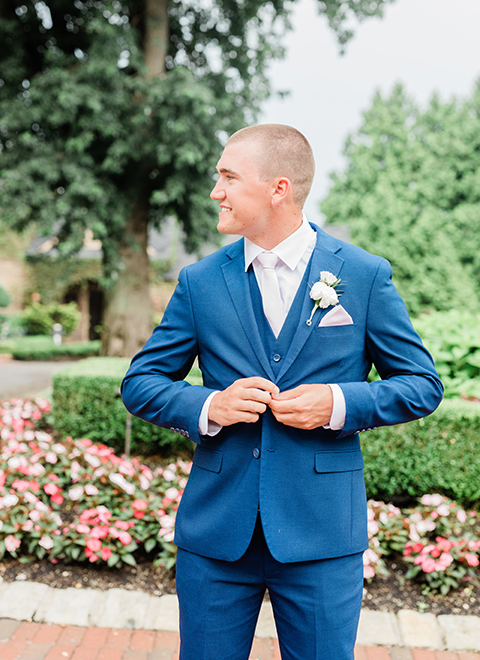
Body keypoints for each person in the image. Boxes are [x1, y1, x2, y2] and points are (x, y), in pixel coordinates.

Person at [121, 124, 443, 660]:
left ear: (279, 188)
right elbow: (141, 383)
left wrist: (337, 404)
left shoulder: (362, 276)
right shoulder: (199, 281)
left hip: (321, 536)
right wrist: (209, 405)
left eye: (228, 177)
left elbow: (422, 385)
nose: (215, 191)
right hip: (216, 536)